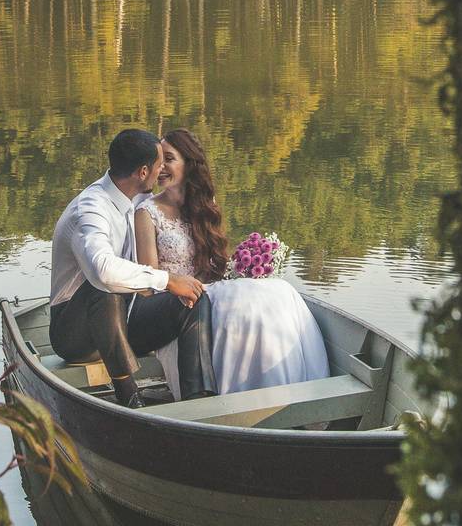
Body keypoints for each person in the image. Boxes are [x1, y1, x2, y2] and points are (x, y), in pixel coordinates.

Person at [134, 128, 329, 399]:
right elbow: (149, 282)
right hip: (180, 306)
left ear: (189, 164)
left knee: (278, 290)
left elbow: (216, 262)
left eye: (169, 159)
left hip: (212, 290)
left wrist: (241, 271)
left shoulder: (205, 205)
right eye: (158, 160)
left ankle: (278, 390)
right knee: (245, 301)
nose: (161, 167)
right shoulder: (146, 213)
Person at [49, 129, 218, 408]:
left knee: (193, 298)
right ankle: (130, 399)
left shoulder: (136, 198)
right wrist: (166, 279)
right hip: (76, 334)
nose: (163, 170)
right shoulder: (91, 209)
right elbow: (102, 270)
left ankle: (197, 399)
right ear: (142, 172)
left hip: (124, 320)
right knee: (104, 285)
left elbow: (179, 199)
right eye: (159, 163)